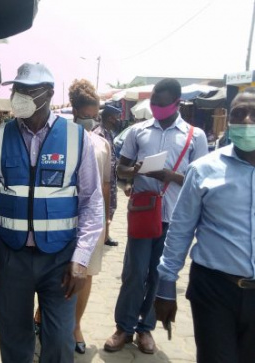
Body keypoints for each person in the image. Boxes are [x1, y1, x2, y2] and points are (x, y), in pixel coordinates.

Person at [0, 63, 104, 362]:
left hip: (60, 258)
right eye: (18, 90)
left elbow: (92, 202)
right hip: (10, 255)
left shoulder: (76, 139)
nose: (21, 96)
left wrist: (81, 259)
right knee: (14, 341)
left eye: (30, 91)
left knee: (58, 342)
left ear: (49, 94)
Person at [104, 78, 208, 354]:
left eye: (162, 105)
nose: (157, 109)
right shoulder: (138, 132)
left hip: (174, 217)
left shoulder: (194, 136)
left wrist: (170, 176)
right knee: (134, 273)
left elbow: (200, 179)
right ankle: (123, 327)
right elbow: (120, 170)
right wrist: (135, 171)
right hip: (142, 212)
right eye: (154, 104)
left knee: (158, 275)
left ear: (177, 104)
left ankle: (145, 329)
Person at [155, 88, 255, 363]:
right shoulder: (203, 170)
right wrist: (165, 286)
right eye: (238, 114)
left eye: (253, 114)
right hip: (215, 289)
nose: (246, 121)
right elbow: (180, 229)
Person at [68, 79, 110, 354]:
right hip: (59, 219)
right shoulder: (58, 139)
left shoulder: (102, 144)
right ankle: (41, 315)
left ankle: (75, 325)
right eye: (84, 116)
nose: (88, 120)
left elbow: (106, 185)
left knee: (84, 273)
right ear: (74, 111)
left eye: (92, 116)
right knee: (53, 271)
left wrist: (105, 222)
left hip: (91, 221)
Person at [94, 105, 122, 247]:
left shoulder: (109, 133)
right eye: (117, 117)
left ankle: (105, 235)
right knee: (101, 209)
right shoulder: (99, 134)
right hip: (101, 181)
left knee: (110, 207)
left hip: (110, 180)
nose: (119, 120)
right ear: (111, 118)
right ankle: (98, 237)